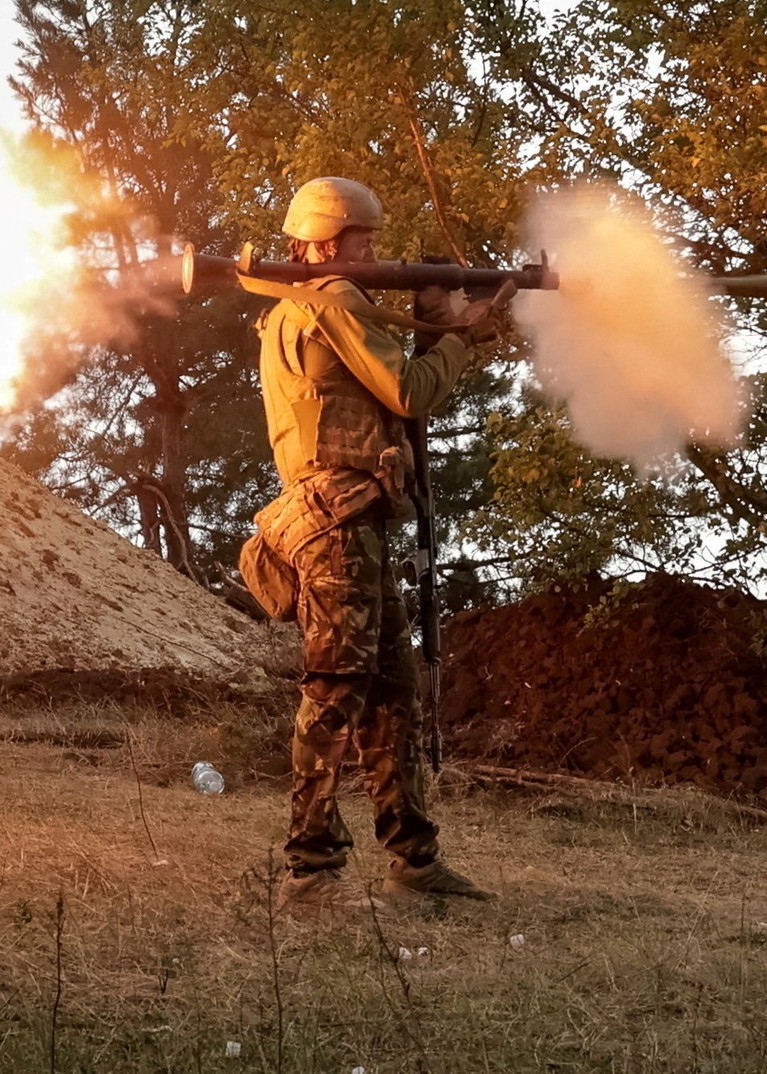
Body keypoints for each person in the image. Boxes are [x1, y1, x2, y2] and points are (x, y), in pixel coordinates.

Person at [248, 176, 497, 909]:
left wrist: (434, 321)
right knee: (336, 690)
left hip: (348, 520)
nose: (374, 254)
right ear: (325, 245)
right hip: (337, 523)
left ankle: (414, 860)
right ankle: (310, 870)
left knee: (390, 694)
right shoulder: (333, 301)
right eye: (364, 241)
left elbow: (388, 389)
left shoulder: (299, 306)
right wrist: (460, 334)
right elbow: (411, 392)